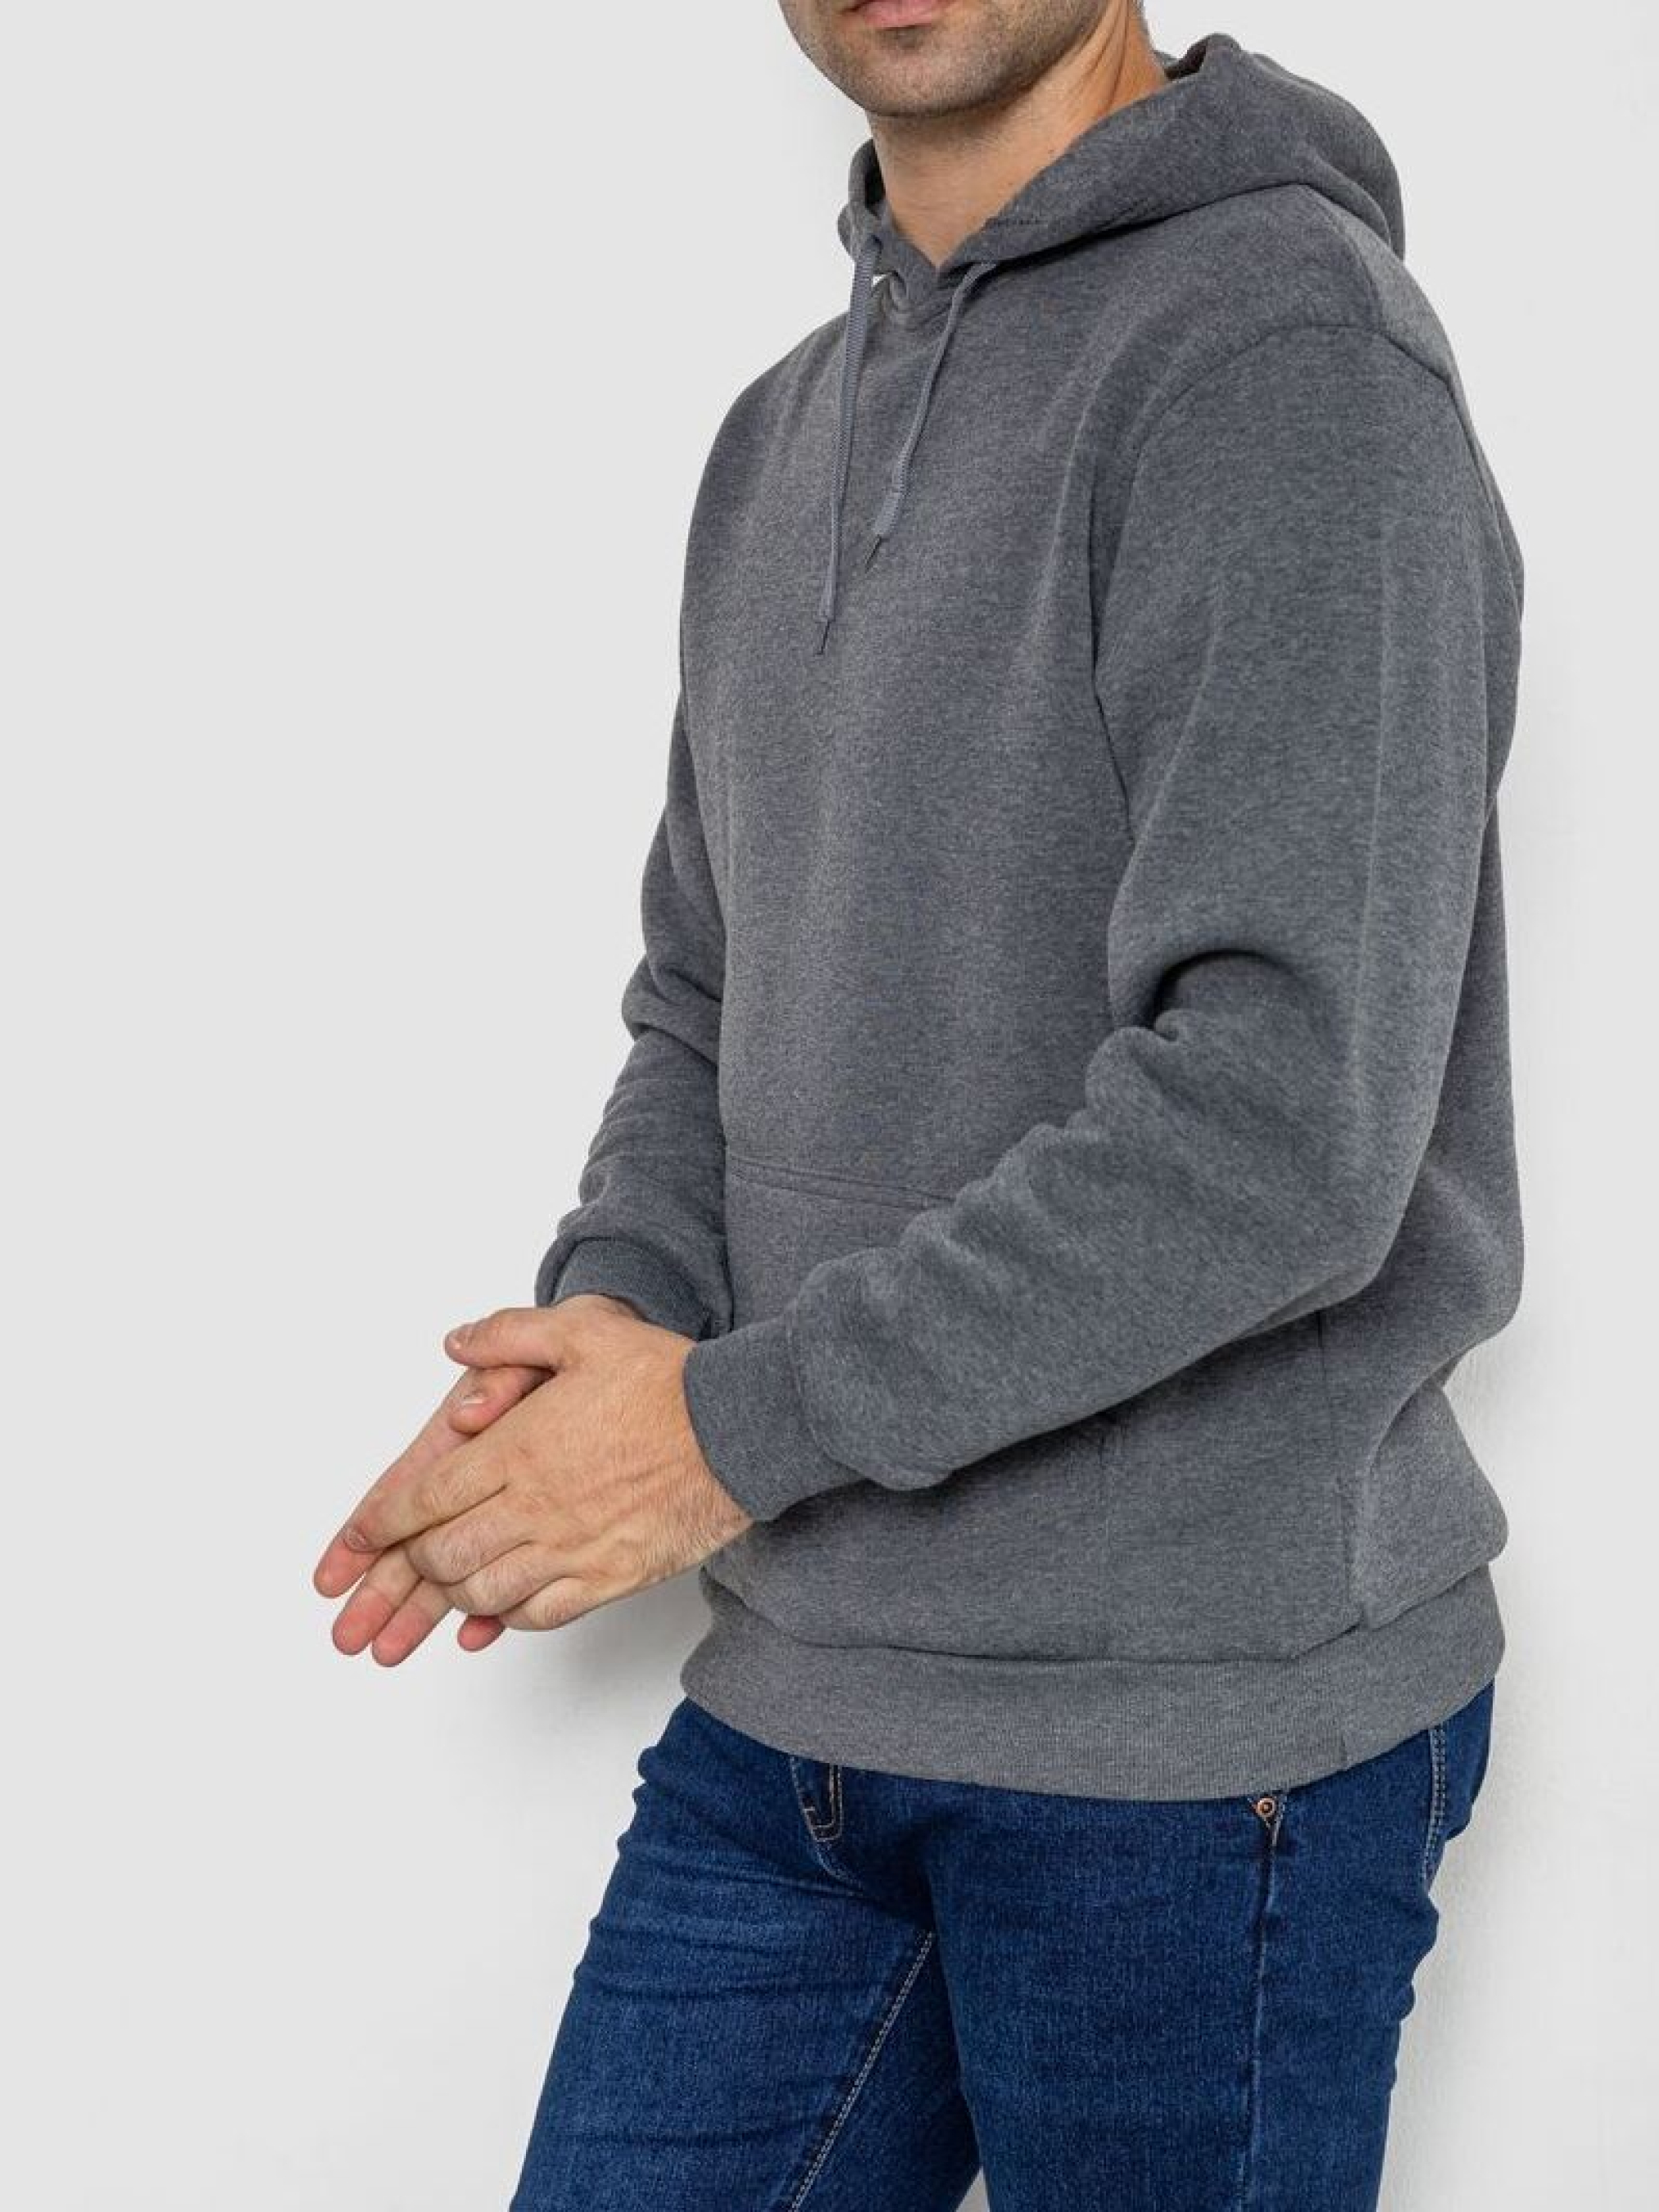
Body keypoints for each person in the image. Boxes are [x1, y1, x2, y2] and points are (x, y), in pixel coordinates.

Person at [314, 7, 1525, 2205]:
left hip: (1191, 1753)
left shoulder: (1284, 356)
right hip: (801, 1695)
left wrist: (711, 1436)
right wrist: (608, 1338)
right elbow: (707, 991)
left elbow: (1280, 1124)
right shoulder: (780, 432)